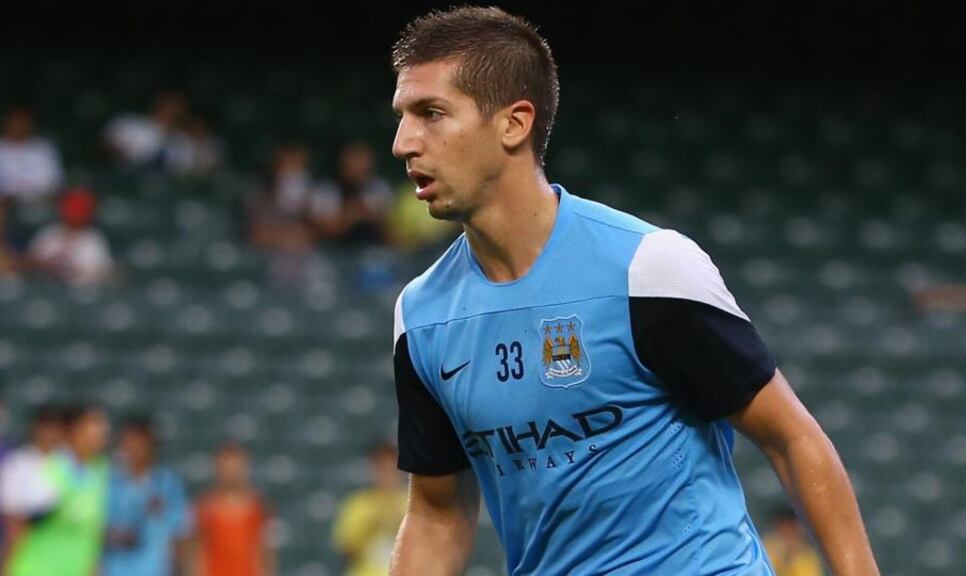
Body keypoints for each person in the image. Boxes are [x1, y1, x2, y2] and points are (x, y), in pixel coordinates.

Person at [387, 6, 879, 575]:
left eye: (431, 113)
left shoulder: (648, 270)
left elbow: (792, 439)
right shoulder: (421, 317)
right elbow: (438, 512)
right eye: (402, 117)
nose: (403, 143)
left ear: (514, 124)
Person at [5, 404, 110, 576]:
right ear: (74, 430)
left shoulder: (101, 470)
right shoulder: (49, 471)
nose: (102, 432)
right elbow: (18, 528)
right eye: (94, 425)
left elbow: (93, 531)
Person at [103, 416, 191, 576]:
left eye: (140, 442)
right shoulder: (109, 484)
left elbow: (181, 533)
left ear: (152, 445)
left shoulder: (169, 485)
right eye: (129, 443)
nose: (134, 449)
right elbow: (95, 531)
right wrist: (117, 536)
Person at [193, 443, 274, 576]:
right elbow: (198, 554)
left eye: (235, 468)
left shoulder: (259, 507)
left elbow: (264, 554)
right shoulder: (204, 507)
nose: (231, 474)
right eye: (226, 468)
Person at [0, 404, 65, 565]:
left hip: (63, 554)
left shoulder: (70, 464)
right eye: (46, 428)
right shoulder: (17, 462)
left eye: (56, 429)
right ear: (35, 429)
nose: (51, 434)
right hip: (25, 552)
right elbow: (10, 514)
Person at [331, 442, 407, 576]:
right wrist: (372, 522)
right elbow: (346, 551)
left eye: (391, 468)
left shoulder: (411, 503)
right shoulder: (357, 505)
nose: (387, 474)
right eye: (382, 468)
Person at [24, 186, 114, 286]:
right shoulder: (49, 233)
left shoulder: (95, 240)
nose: (74, 212)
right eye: (71, 207)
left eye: (80, 208)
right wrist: (46, 265)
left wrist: (69, 270)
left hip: (79, 291)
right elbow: (28, 263)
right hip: (44, 287)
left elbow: (101, 274)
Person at [0, 107, 64, 205]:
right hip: (4, 203)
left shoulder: (43, 148)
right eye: (14, 122)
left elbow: (54, 182)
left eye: (21, 122)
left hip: (38, 202)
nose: (18, 127)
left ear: (30, 125)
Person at [762, 506, 825, 576]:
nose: (786, 533)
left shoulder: (808, 556)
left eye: (789, 529)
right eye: (783, 528)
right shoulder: (769, 547)